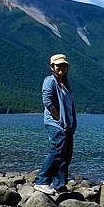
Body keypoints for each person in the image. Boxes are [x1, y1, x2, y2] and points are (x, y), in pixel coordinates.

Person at [34, 54, 77, 195]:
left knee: (66, 155)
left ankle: (60, 184)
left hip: (67, 125)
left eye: (64, 65)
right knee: (57, 150)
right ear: (52, 67)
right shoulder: (50, 81)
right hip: (55, 124)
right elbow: (47, 101)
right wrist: (57, 117)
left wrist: (73, 122)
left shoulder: (66, 84)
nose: (61, 68)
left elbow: (70, 105)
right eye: (58, 65)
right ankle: (41, 181)